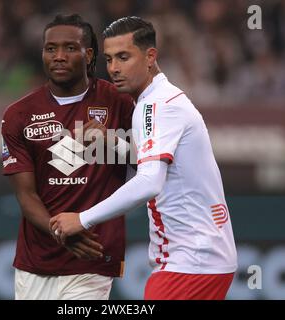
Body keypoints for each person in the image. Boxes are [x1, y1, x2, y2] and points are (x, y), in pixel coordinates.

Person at [50, 16, 238, 300]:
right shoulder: (157, 101)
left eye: (124, 57)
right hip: (198, 258)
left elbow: (150, 181)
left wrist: (82, 219)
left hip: (191, 261)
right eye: (110, 59)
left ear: (150, 56)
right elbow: (162, 163)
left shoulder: (156, 106)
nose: (113, 68)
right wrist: (115, 144)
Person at [1, 14, 134, 300]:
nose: (59, 56)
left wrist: (113, 142)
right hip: (36, 261)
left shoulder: (121, 102)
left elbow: (152, 162)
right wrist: (62, 232)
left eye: (70, 48)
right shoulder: (18, 115)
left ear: (88, 55)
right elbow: (27, 196)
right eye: (51, 49)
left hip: (93, 256)